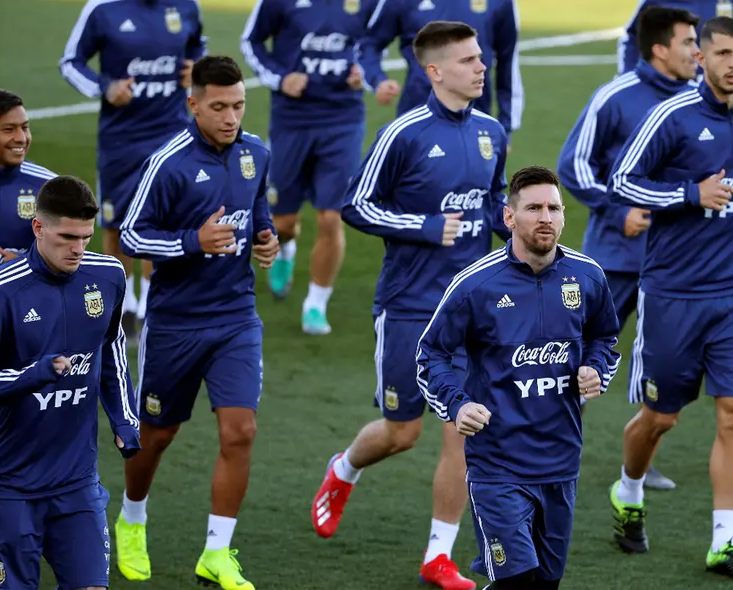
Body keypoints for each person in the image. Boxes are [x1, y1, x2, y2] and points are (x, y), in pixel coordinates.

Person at [311, 21, 510, 589]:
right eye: (469, 60)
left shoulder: (492, 131)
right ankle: (343, 468)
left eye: (480, 58)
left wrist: (515, 229)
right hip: (409, 307)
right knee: (403, 432)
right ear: (434, 71)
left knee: (463, 431)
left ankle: (438, 557)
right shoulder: (404, 134)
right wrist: (425, 225)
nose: (480, 68)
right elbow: (355, 205)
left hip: (472, 310)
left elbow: (494, 202)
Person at [607, 16, 733, 579]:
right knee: (660, 419)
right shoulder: (671, 116)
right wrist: (692, 194)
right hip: (671, 294)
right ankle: (629, 489)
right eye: (724, 53)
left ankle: (723, 542)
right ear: (701, 59)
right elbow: (623, 182)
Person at [115, 55, 279, 590]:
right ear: (193, 104)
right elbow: (131, 236)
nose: (231, 117)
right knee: (157, 434)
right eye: (219, 107)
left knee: (241, 430)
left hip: (235, 317)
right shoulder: (169, 163)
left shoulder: (256, 152)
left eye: (238, 106)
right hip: (176, 323)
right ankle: (132, 519)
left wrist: (266, 238)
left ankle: (217, 552)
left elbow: (257, 214)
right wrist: (192, 241)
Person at [416, 165, 622, 589]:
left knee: (544, 583)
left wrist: (595, 368)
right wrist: (457, 403)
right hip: (498, 465)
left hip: (561, 461)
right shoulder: (476, 285)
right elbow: (430, 352)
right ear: (510, 218)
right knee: (517, 580)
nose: (545, 217)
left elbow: (605, 337)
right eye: (533, 208)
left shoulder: (588, 277)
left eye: (553, 208)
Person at [557, 5, 703, 493]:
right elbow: (573, 166)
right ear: (660, 48)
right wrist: (618, 212)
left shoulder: (697, 98)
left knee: (660, 365)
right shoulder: (616, 97)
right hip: (615, 260)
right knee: (577, 356)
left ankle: (641, 461)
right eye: (688, 42)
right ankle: (550, 449)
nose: (696, 51)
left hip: (675, 265)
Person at [0, 175, 140, 589]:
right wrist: (32, 375)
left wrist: (123, 417)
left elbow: (111, 348)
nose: (78, 249)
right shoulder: (0, 291)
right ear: (38, 227)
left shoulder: (108, 275)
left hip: (76, 482)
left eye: (85, 237)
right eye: (67, 237)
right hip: (10, 487)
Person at [60, 0, 208, 338]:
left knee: (164, 221)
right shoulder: (103, 9)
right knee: (115, 225)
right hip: (121, 140)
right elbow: (71, 63)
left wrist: (197, 65)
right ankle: (122, 306)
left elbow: (198, 43)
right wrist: (105, 87)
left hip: (172, 133)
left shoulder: (186, 6)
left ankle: (151, 305)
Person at [240, 0, 375, 334]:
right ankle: (285, 246)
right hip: (292, 120)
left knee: (332, 217)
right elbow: (251, 41)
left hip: (343, 119)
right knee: (283, 222)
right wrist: (280, 78)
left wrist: (366, 72)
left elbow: (380, 40)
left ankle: (316, 303)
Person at [0, 88, 58, 532]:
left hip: (29, 341)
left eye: (25, 127)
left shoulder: (49, 187)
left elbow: (75, 265)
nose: (21, 136)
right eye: (9, 129)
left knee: (30, 449)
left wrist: (27, 267)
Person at [357, 0, 523, 140]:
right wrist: (378, 80)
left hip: (474, 122)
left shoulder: (501, 2)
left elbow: (508, 61)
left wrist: (506, 127)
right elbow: (369, 44)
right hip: (416, 120)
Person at [616, 0, 733, 93]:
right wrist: (630, 78)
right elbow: (632, 37)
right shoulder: (654, 2)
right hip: (664, 95)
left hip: (719, 103)